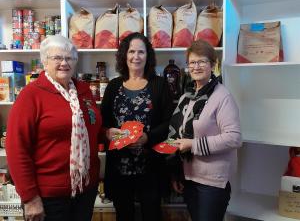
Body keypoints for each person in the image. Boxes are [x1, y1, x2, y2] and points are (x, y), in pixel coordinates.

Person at [6, 35, 102, 221]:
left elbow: (92, 126)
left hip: (85, 190)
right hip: (48, 196)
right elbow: (17, 149)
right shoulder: (31, 95)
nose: (64, 63)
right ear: (44, 61)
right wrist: (30, 198)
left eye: (69, 58)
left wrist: (106, 133)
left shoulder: (83, 90)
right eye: (57, 58)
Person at [101, 32, 173, 221]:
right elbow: (102, 123)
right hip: (119, 167)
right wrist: (108, 133)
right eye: (131, 51)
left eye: (141, 52)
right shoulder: (113, 86)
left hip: (151, 168)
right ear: (124, 55)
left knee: (152, 215)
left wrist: (148, 137)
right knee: (124, 216)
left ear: (148, 56)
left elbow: (169, 122)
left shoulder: (160, 85)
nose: (136, 56)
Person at [169, 39, 242, 221]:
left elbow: (234, 138)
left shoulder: (222, 96)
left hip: (212, 183)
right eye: (192, 62)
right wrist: (177, 173)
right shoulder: (186, 97)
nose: (196, 66)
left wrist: (193, 145)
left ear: (213, 65)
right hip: (189, 177)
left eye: (202, 61)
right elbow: (177, 133)